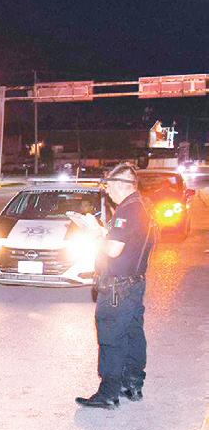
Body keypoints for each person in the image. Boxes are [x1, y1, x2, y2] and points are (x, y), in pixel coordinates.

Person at [76, 163, 154, 409]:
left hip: (117, 289)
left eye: (108, 185)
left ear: (121, 184)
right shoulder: (142, 206)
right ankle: (132, 384)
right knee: (132, 333)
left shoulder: (127, 211)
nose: (107, 190)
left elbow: (112, 249)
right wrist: (102, 230)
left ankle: (108, 393)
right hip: (134, 283)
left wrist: (93, 233)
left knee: (110, 338)